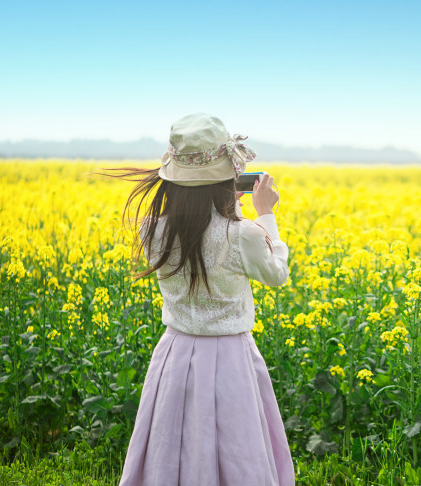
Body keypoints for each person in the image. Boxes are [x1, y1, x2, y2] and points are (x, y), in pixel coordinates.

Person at [108, 113, 295, 486]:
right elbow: (277, 274)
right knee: (237, 449)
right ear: (228, 179)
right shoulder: (243, 234)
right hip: (231, 358)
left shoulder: (151, 230)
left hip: (174, 355)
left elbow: (202, 235)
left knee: (171, 445)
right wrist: (266, 214)